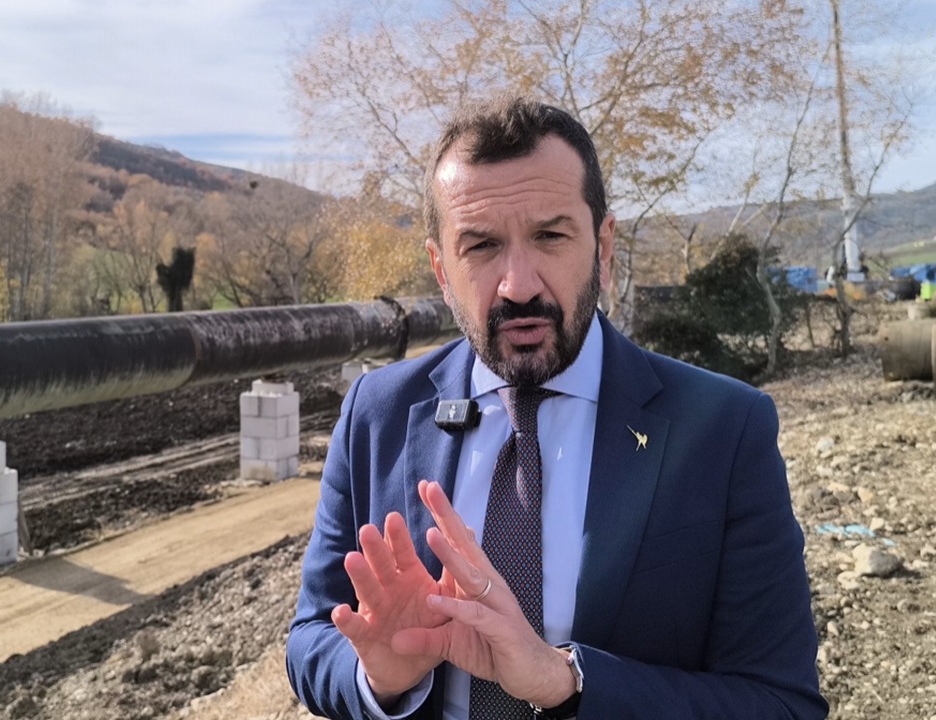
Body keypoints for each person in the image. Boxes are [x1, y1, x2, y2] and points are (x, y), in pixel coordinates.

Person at [286, 96, 826, 719]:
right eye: (481, 246)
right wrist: (377, 678)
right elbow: (311, 638)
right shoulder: (376, 413)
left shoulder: (724, 429)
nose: (519, 285)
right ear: (440, 268)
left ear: (603, 246)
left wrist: (567, 683)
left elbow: (781, 702)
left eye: (550, 236)